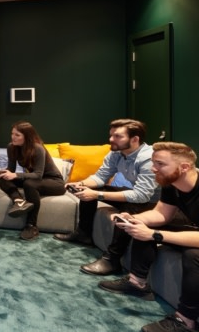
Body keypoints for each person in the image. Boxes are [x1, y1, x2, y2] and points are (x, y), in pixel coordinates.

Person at [98, 142, 199, 332]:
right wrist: (134, 219)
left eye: (160, 164)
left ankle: (186, 322)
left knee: (197, 256)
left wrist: (155, 235)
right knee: (142, 225)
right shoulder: (172, 183)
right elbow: (161, 215)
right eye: (153, 162)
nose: (153, 168)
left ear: (184, 167)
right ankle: (137, 283)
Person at [54, 118, 160, 275]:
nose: (111, 139)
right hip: (137, 195)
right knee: (88, 189)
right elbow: (100, 177)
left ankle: (112, 260)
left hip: (156, 203)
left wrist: (98, 195)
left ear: (135, 139)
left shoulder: (148, 158)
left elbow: (142, 196)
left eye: (117, 136)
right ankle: (83, 234)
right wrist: (81, 184)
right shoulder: (116, 153)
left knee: (129, 208)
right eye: (111, 135)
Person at [0, 121, 65, 241]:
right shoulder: (12, 147)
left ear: (27, 136)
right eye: (12, 134)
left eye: (17, 135)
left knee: (29, 184)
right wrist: (2, 172)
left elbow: (38, 175)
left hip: (54, 182)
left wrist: (15, 175)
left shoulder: (38, 148)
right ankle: (19, 201)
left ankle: (31, 226)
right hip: (34, 179)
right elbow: (11, 169)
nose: (13, 137)